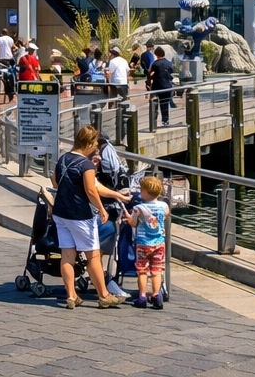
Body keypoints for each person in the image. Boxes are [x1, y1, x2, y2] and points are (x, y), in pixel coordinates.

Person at [51, 125, 124, 309]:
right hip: (80, 215)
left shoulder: (63, 159)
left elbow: (55, 180)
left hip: (61, 213)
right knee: (93, 255)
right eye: (95, 145)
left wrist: (117, 195)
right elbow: (92, 189)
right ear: (90, 143)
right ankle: (104, 295)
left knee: (67, 255)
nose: (96, 149)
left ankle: (71, 295)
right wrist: (101, 209)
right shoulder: (86, 164)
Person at [128, 174, 169, 309]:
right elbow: (165, 216)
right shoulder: (164, 205)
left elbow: (133, 223)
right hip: (159, 243)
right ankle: (156, 295)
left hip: (143, 243)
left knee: (142, 270)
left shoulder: (138, 208)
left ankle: (142, 296)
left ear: (144, 192)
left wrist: (128, 218)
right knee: (156, 270)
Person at [146, 46, 176, 128]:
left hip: (157, 87)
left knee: (154, 104)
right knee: (165, 104)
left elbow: (150, 73)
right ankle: (165, 121)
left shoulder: (155, 63)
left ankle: (154, 121)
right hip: (167, 86)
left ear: (157, 55)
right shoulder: (169, 63)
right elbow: (171, 71)